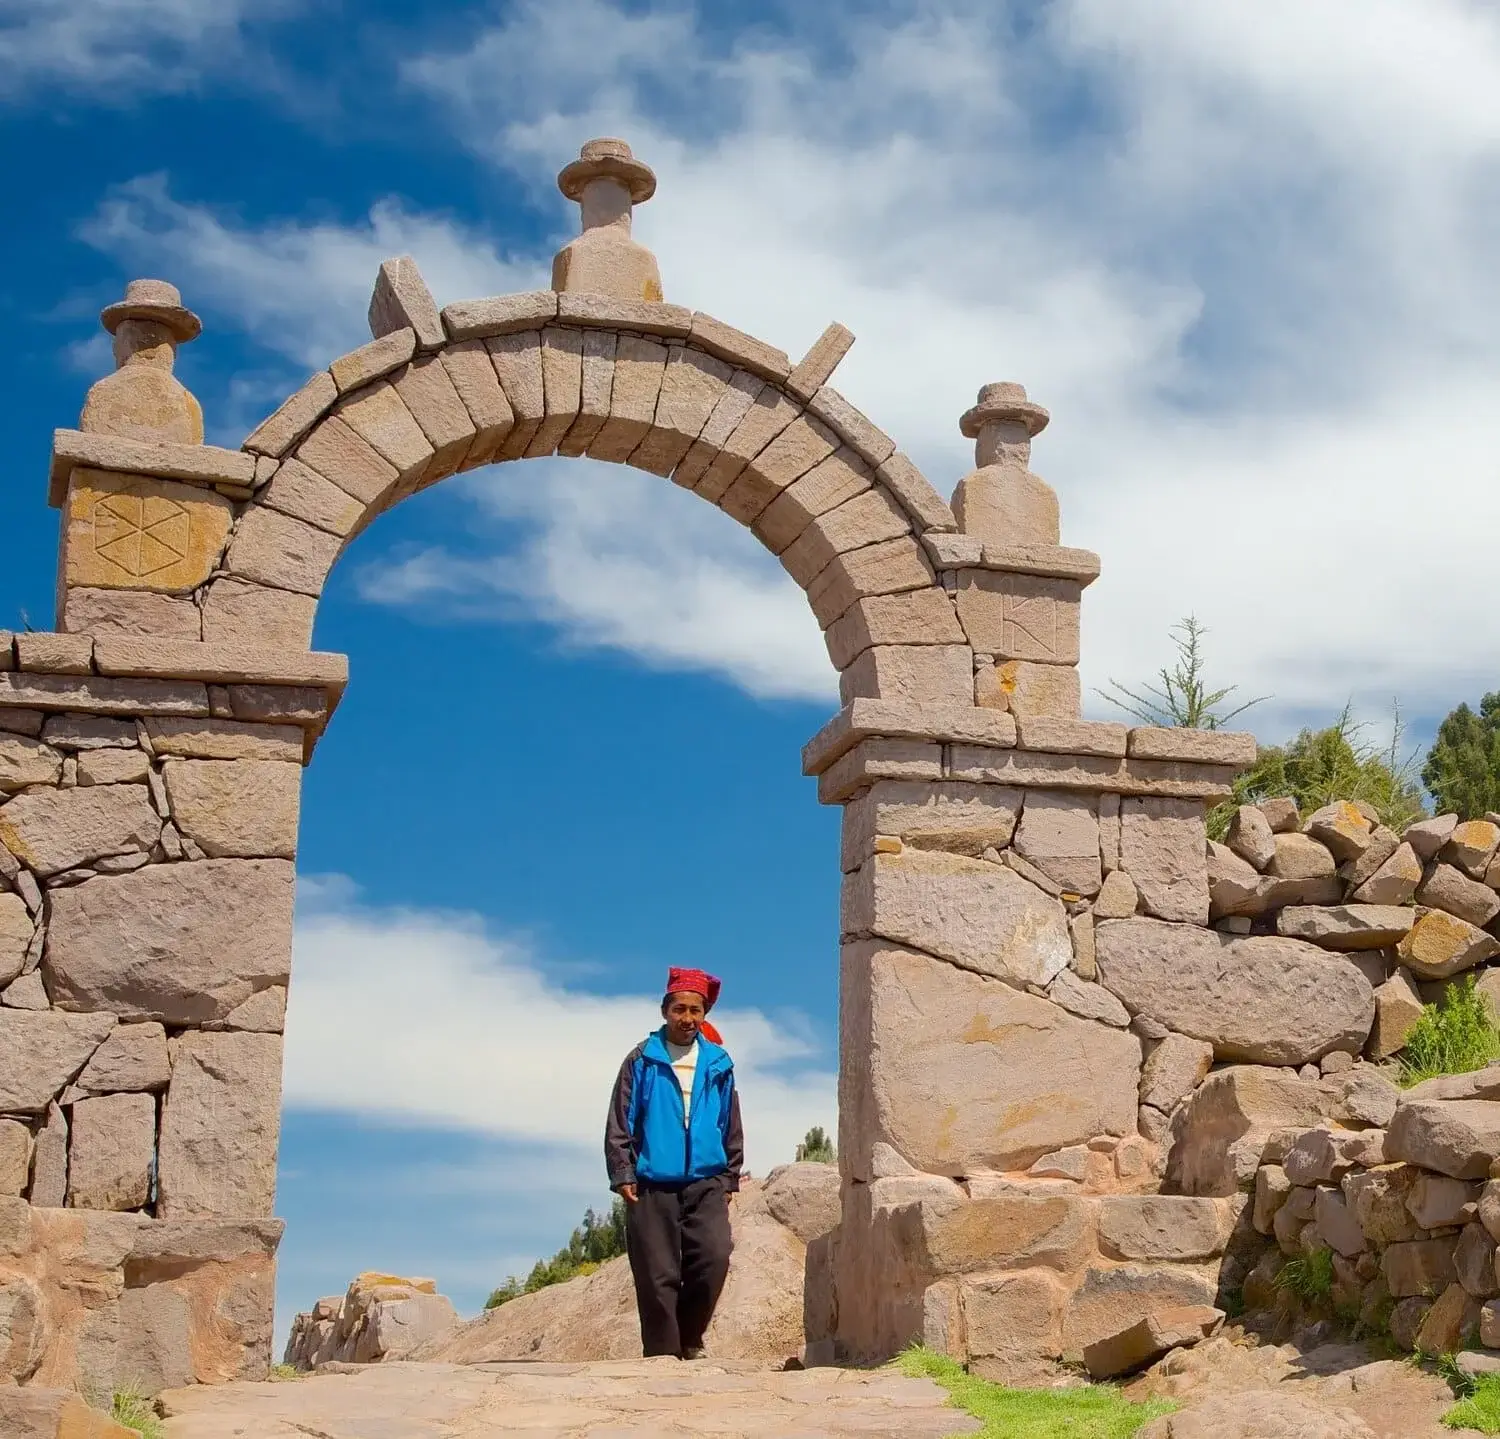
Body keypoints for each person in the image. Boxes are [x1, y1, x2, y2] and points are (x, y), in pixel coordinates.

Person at [604, 967, 743, 1359]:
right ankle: (664, 1357)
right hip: (651, 1184)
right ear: (665, 1011)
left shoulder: (718, 1063)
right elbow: (621, 1118)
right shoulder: (642, 1060)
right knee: (656, 1276)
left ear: (705, 1014)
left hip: (707, 1181)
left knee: (714, 1258)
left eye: (695, 1010)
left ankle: (689, 1338)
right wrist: (622, 1171)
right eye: (679, 1009)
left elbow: (729, 1121)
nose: (688, 1018)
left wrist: (730, 1175)